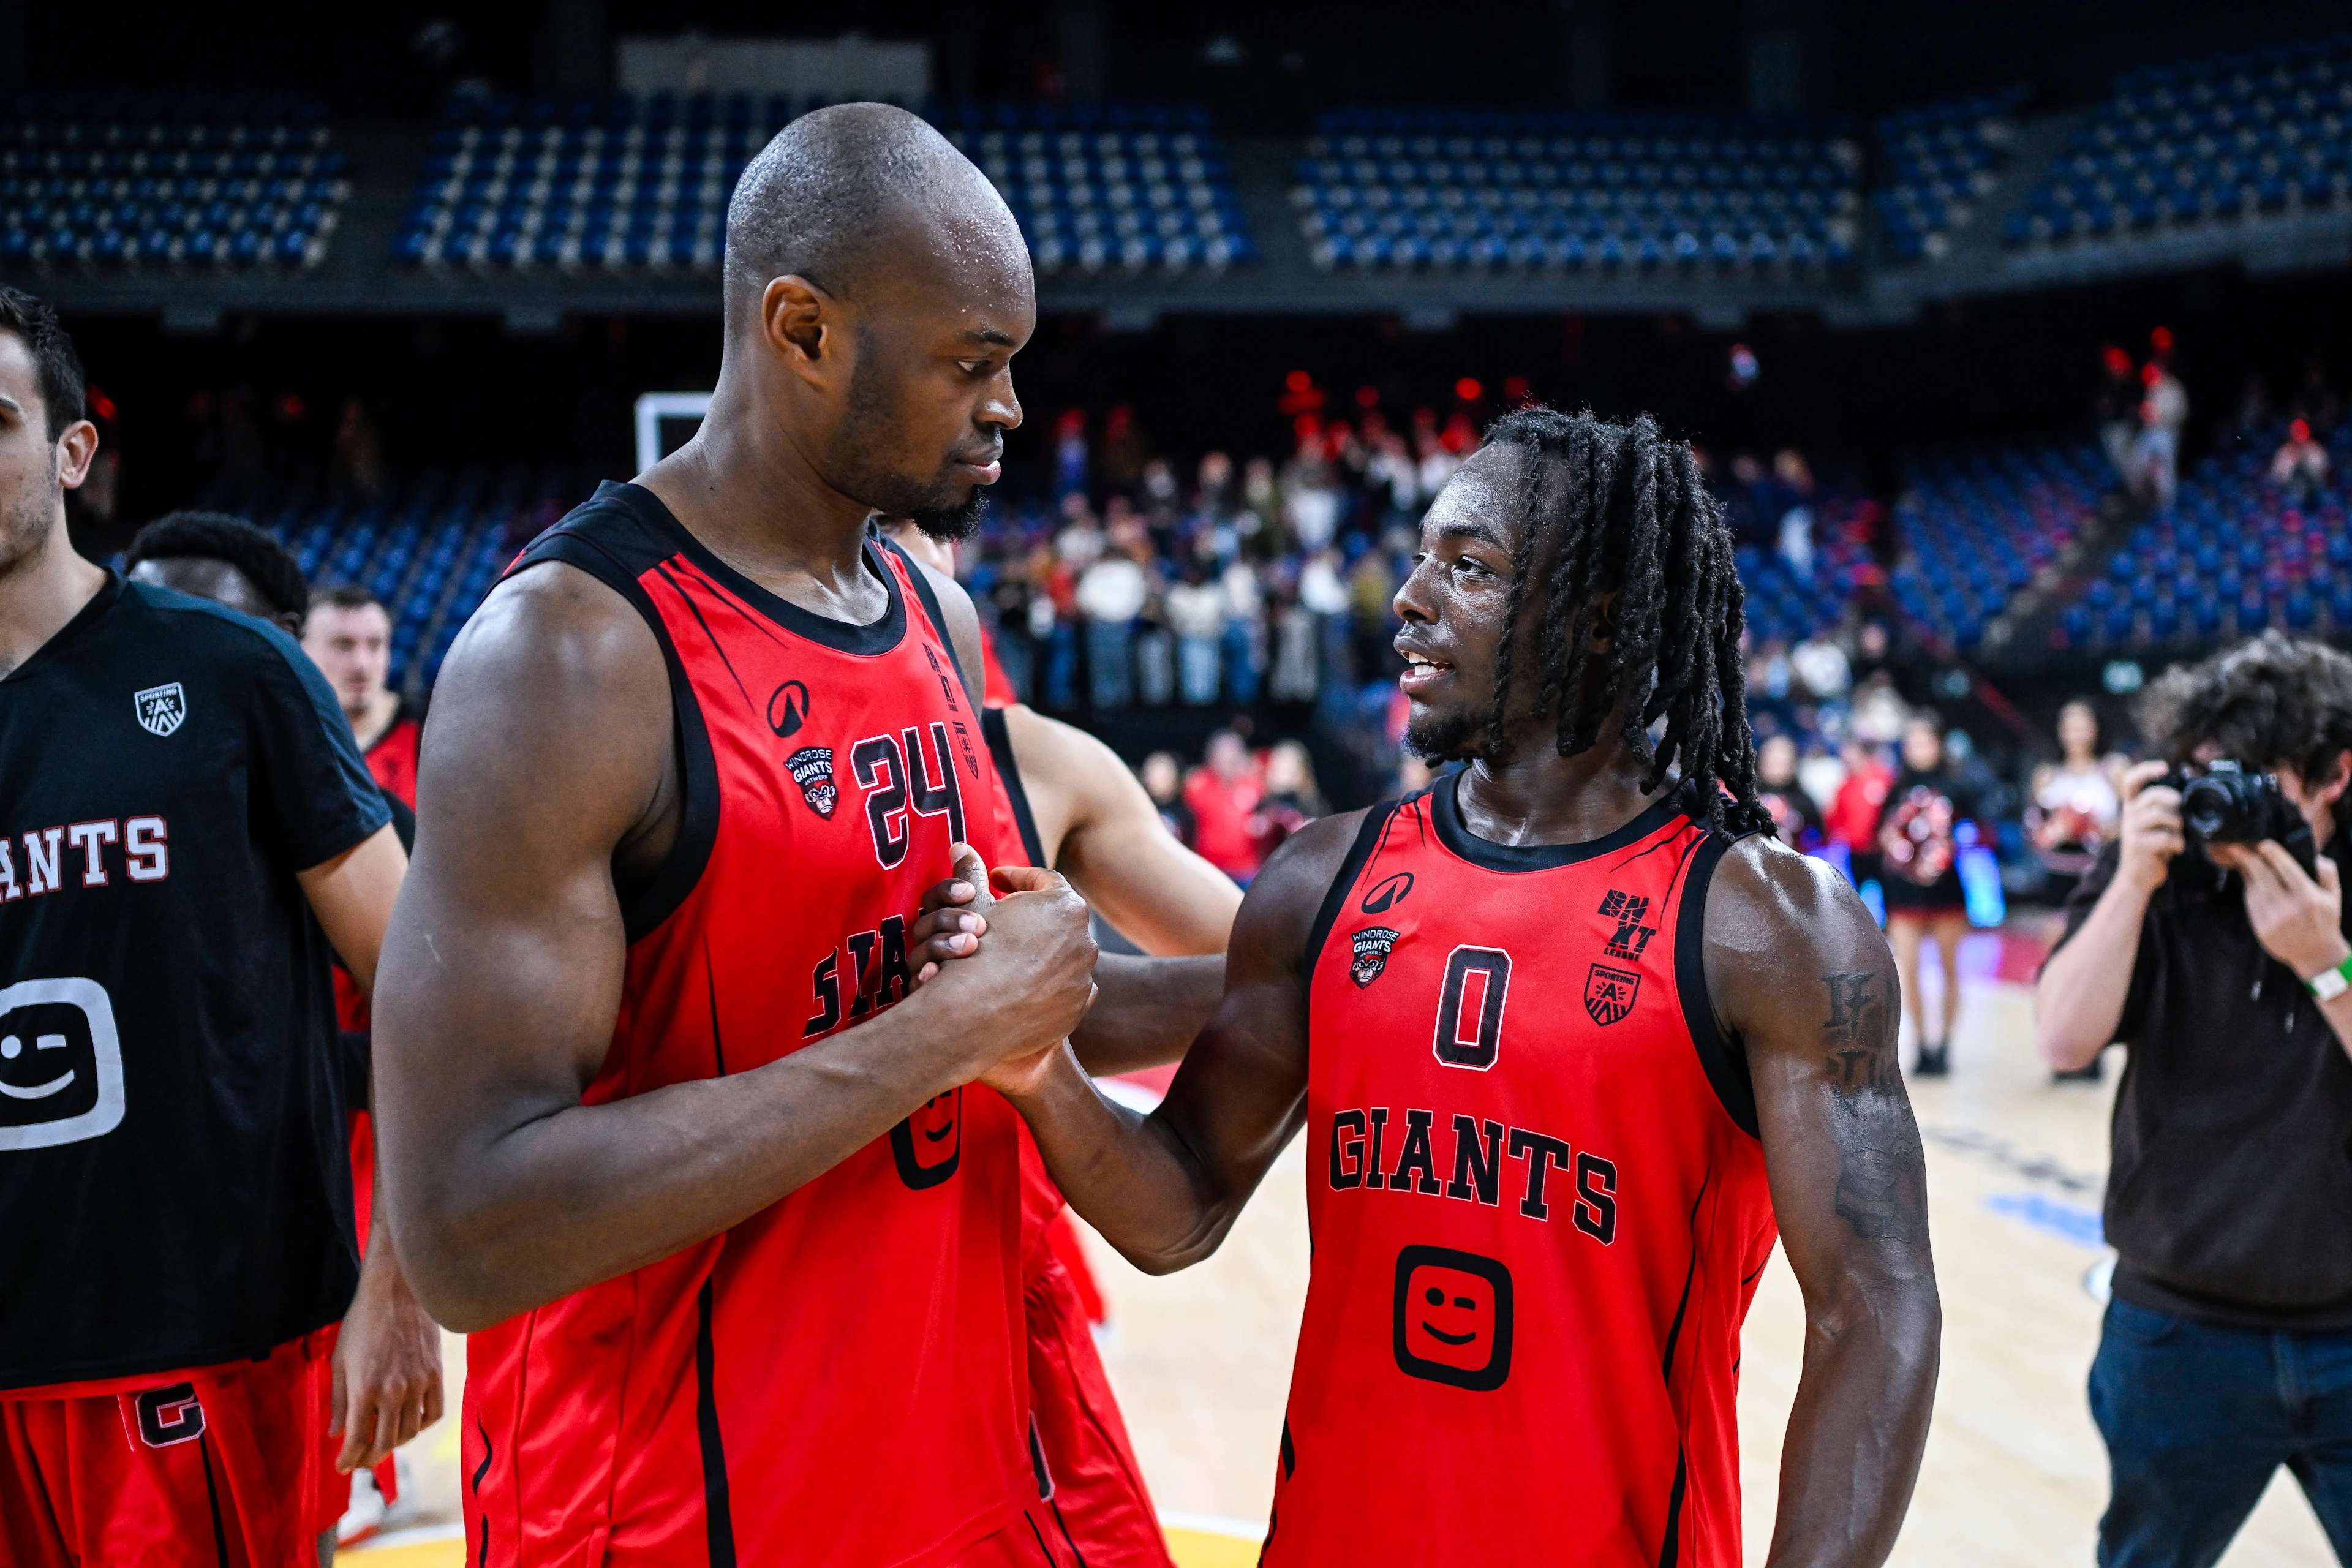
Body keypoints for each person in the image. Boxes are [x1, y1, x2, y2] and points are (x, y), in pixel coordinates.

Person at [953, 409, 1940, 1563]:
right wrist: (1039, 1072)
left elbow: (1875, 1309)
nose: (1410, 597)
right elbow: (1178, 1207)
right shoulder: (1324, 877)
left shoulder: (1766, 923)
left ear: (1603, 618)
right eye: (1422, 556)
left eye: (1469, 566)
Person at [371, 105, 1105, 1567]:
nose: (1010, 406)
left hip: (930, 1468)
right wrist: (944, 1032)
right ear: (801, 328)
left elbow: (1006, 1011)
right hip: (670, 1504)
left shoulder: (934, 616)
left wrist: (1339, 958)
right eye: (971, 362)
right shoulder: (569, 657)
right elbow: (467, 1225)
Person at [0, 286, 439, 1568]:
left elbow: (422, 986)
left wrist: (398, 1289)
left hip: (205, 1345)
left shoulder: (231, 673)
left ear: (72, 453)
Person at [888, 515, 1242, 1568]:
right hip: (811, 1267)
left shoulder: (1030, 755)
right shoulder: (738, 759)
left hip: (1005, 1261)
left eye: (924, 534)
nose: (906, 556)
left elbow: (1252, 957)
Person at [123, 513, 435, 1547]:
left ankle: (362, 1472)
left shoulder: (394, 787)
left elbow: (432, 997)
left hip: (330, 1129)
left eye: (367, 646)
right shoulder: (97, 790)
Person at [2035, 631, 2352, 1567]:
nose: (2229, 804)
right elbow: (2062, 1038)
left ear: (2336, 776)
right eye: (2214, 772)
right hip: (2178, 1330)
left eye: (2262, 779)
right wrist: (2133, 879)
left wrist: (2325, 965)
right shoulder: (2165, 860)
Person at [1877, 713, 1978, 1076]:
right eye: (1912, 742)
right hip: (1903, 895)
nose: (1919, 749)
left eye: (1925, 741)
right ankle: (1921, 1044)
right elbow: (1880, 837)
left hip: (1947, 892)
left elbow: (1977, 834)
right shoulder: (1895, 788)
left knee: (1951, 969)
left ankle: (1946, 1045)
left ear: (1938, 744)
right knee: (1910, 971)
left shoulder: (1957, 786)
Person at [303, 584, 422, 805]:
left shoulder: (428, 731)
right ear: (300, 650)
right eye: (344, 645)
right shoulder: (273, 738)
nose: (362, 664)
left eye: (375, 645)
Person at [1183, 728, 1266, 883]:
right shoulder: (1198, 786)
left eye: (1233, 755)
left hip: (1246, 869)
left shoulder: (1255, 785)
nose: (1228, 760)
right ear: (1212, 757)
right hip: (1209, 868)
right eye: (1223, 755)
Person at [1756, 731, 1826, 851]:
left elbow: (1820, 841)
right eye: (1772, 753)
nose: (1778, 758)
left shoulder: (1805, 803)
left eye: (1783, 754)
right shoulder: (1743, 799)